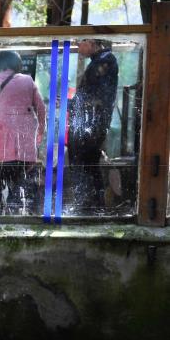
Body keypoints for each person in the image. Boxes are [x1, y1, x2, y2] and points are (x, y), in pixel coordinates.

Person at [0, 50, 46, 215]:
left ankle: (0, 219)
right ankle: (19, 218)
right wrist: (39, 133)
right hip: (24, 145)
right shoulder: (28, 81)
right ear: (17, 65)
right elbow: (41, 109)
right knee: (20, 184)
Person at [68, 38, 118, 213]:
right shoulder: (101, 60)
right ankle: (91, 204)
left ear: (91, 42)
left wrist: (72, 104)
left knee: (86, 161)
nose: (77, 46)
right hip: (90, 122)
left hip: (93, 123)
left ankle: (92, 204)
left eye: (80, 41)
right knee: (87, 162)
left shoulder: (105, 60)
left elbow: (96, 98)